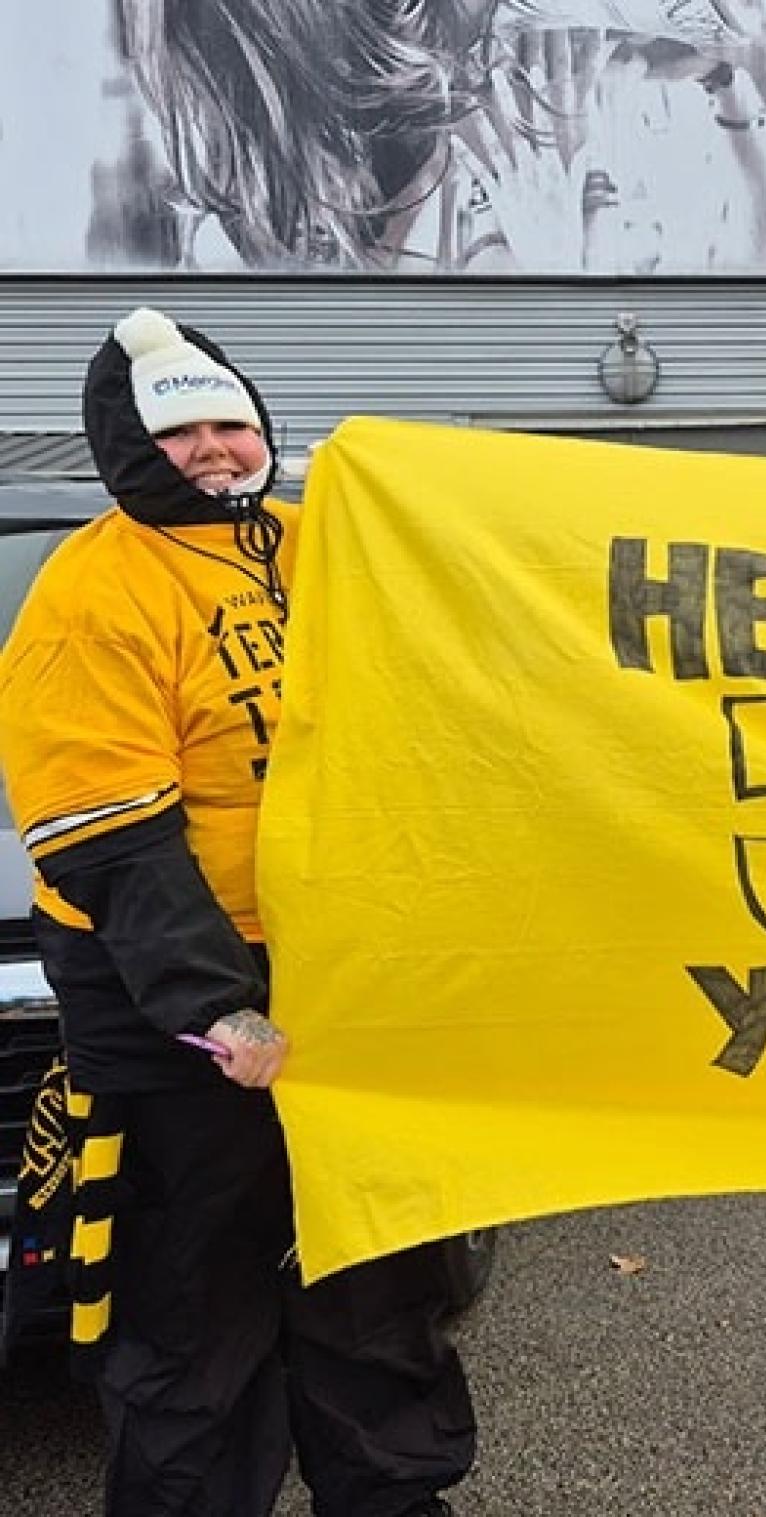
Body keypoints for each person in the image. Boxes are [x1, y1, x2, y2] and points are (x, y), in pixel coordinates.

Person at [0, 308, 476, 1515]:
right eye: (181, 431)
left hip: (344, 970)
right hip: (180, 1001)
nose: (214, 448)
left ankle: (393, 1496)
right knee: (195, 1308)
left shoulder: (319, 547)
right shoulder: (93, 593)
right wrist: (220, 1006)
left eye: (231, 423)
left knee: (376, 1278)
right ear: (127, 444)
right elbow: (106, 834)